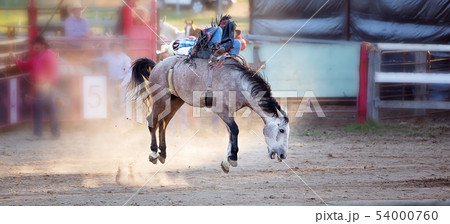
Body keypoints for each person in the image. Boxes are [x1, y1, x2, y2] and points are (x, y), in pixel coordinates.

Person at [11, 36, 60, 139]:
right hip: (42, 86)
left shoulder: (48, 55)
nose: (33, 46)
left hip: (46, 86)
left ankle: (39, 134)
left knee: (38, 107)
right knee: (50, 109)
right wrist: (16, 60)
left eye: (35, 44)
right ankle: (55, 133)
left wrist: (48, 83)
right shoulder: (39, 56)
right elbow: (26, 65)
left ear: (41, 44)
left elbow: (53, 71)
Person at [92, 41, 132, 116]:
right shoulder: (109, 56)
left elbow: (129, 73)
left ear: (121, 48)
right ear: (113, 47)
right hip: (112, 82)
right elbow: (100, 59)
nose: (117, 48)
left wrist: (122, 84)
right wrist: (90, 60)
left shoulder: (125, 58)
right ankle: (115, 120)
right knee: (112, 101)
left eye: (119, 46)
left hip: (121, 82)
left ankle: (125, 121)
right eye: (115, 46)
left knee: (123, 102)